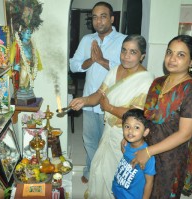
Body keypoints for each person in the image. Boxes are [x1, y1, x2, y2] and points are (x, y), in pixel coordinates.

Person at [69, 34, 154, 198]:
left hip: (125, 136)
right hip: (108, 129)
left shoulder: (146, 80)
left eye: (133, 52)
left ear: (142, 56)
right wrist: (84, 100)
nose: (126, 56)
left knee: (117, 178)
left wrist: (109, 107)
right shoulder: (115, 69)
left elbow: (137, 116)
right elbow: (100, 94)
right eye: (124, 50)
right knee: (100, 171)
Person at [130, 35, 192, 198]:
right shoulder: (158, 82)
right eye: (169, 52)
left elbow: (185, 134)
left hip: (170, 160)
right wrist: (132, 135)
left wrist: (148, 151)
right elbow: (147, 118)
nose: (172, 59)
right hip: (148, 151)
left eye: (180, 55)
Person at [69, 1, 127, 183]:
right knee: (89, 141)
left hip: (112, 103)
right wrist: (90, 61)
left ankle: (107, 175)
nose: (99, 21)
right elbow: (74, 65)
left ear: (111, 18)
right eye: (95, 17)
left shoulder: (124, 41)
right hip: (88, 100)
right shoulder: (87, 40)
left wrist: (101, 60)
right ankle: (91, 171)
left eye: (103, 16)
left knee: (109, 143)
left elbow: (126, 70)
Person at [112, 109, 156, 199]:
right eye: (127, 126)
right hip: (118, 190)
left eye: (136, 127)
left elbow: (149, 182)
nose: (130, 131)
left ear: (145, 132)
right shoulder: (126, 143)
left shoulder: (147, 157)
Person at [9, 0, 43, 105]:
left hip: (30, 66)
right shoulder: (17, 44)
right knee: (22, 82)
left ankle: (27, 91)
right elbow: (12, 57)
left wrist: (34, 64)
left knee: (28, 82)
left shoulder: (31, 44)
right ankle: (22, 91)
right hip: (22, 66)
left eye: (30, 33)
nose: (29, 35)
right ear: (21, 33)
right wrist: (14, 67)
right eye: (27, 33)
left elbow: (35, 56)